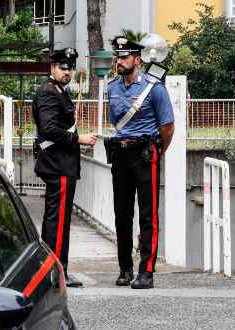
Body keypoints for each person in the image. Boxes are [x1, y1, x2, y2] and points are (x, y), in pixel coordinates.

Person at [105, 35, 175, 289]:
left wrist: (158, 152)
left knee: (148, 215)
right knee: (121, 214)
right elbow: (115, 120)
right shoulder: (112, 87)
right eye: (118, 57)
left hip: (145, 154)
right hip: (121, 154)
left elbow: (167, 126)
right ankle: (125, 268)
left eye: (124, 57)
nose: (119, 61)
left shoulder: (154, 87)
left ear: (137, 59)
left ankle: (146, 271)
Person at [31, 47, 98, 287]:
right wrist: (79, 139)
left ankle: (56, 271)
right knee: (57, 222)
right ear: (52, 67)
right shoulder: (49, 93)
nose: (67, 72)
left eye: (70, 68)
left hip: (62, 164)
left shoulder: (59, 91)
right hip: (58, 166)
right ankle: (56, 272)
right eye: (63, 67)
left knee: (59, 220)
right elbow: (49, 129)